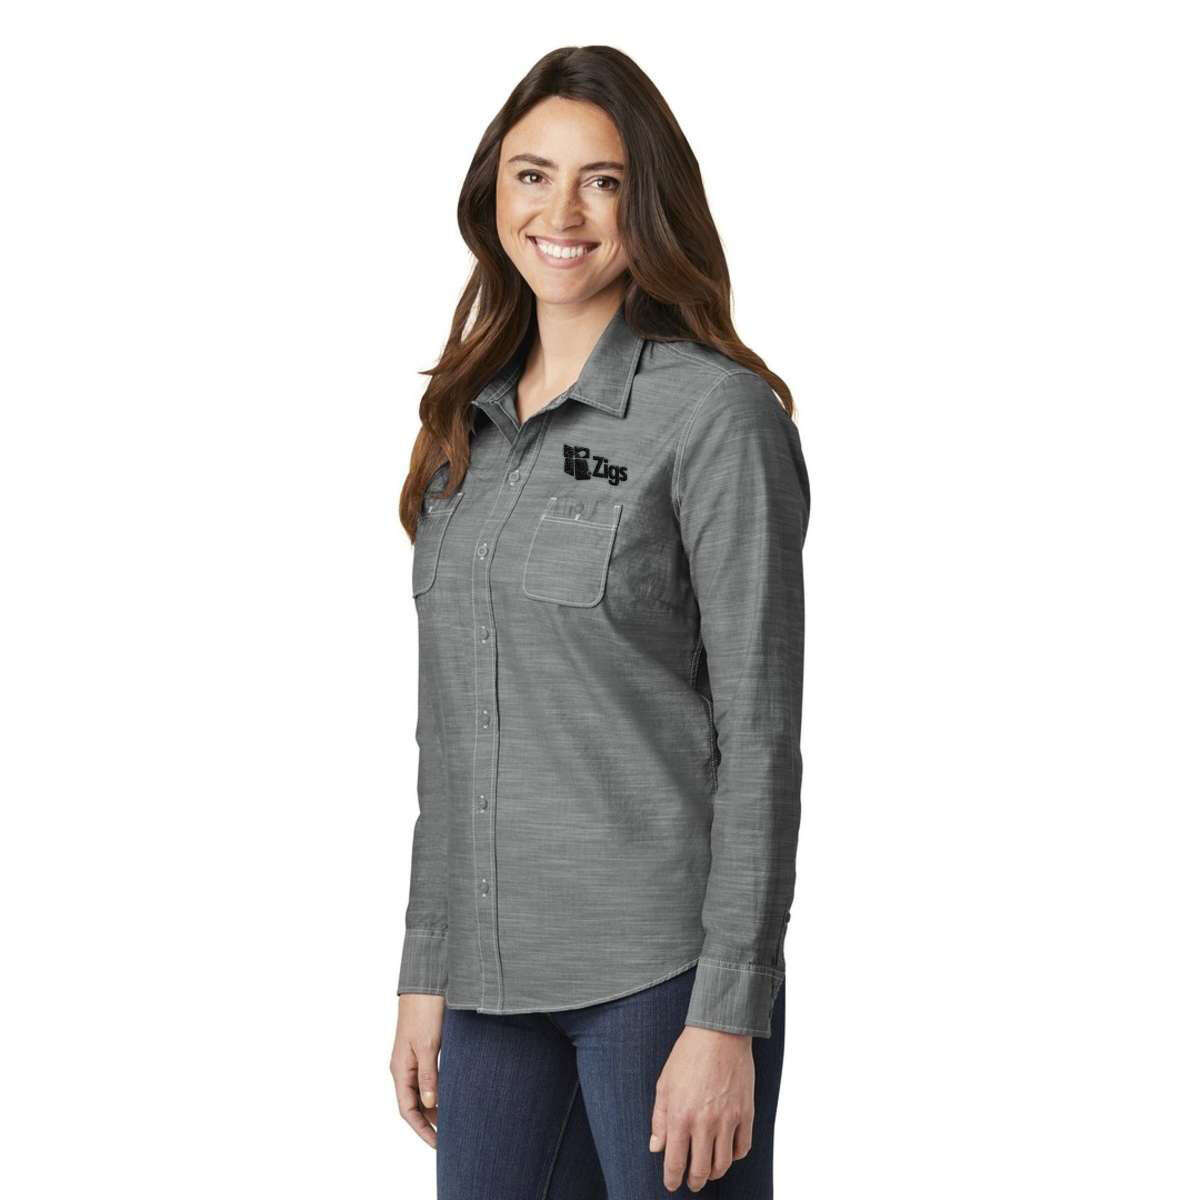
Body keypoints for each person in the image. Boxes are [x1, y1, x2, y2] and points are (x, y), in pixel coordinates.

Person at [389, 44, 810, 1199]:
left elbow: (760, 739)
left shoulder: (716, 417)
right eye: (533, 175)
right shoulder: (463, 428)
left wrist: (726, 1015)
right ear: (494, 193)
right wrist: (425, 966)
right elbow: (452, 735)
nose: (561, 213)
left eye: (603, 182)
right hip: (489, 987)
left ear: (648, 202)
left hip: (658, 981)